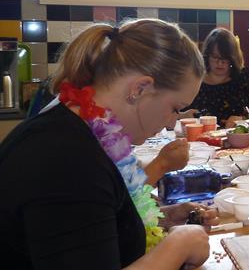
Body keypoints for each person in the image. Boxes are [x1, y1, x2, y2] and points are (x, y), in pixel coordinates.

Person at [0, 20, 217, 269]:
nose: (172, 122)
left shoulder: (82, 126)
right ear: (140, 88)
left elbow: (88, 224)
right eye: (175, 108)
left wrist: (164, 219)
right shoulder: (67, 160)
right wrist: (178, 246)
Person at [183, 28, 249, 128]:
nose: (220, 63)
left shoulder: (244, 76)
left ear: (233, 58)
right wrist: (181, 115)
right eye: (215, 57)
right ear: (207, 56)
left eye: (225, 58)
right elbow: (174, 110)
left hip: (239, 138)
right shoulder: (196, 78)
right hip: (200, 140)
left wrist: (244, 118)